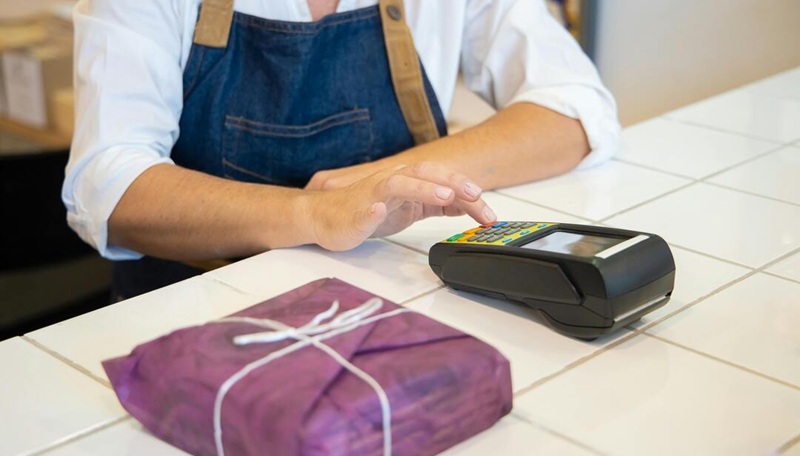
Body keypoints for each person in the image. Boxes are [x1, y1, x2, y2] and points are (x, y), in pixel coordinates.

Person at [62, 0, 621, 300]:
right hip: (191, 312)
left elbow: (576, 109)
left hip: (390, 300)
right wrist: (317, 213)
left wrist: (378, 184)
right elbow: (108, 187)